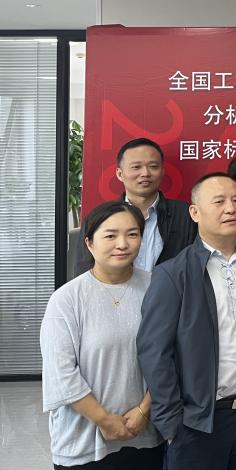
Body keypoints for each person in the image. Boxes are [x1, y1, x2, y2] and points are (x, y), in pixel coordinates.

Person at [137, 173, 236, 470]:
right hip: (196, 424)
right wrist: (171, 424)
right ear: (195, 212)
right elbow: (154, 353)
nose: (230, 208)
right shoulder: (173, 274)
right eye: (219, 202)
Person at [42, 201, 163, 470]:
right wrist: (106, 421)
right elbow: (61, 373)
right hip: (84, 440)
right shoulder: (67, 300)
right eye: (110, 235)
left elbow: (170, 355)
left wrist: (144, 410)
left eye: (132, 234)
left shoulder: (157, 287)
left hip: (144, 433)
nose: (122, 244)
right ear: (89, 243)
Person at [74, 137, 195, 277]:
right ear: (120, 174)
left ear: (162, 172)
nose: (145, 173)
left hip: (171, 291)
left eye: (153, 166)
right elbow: (84, 270)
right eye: (136, 167)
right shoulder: (99, 218)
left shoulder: (185, 215)